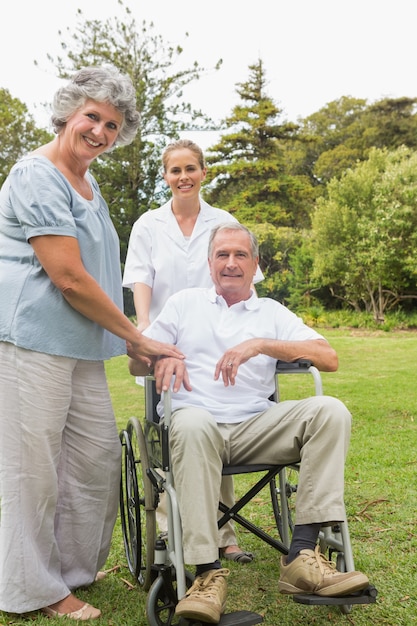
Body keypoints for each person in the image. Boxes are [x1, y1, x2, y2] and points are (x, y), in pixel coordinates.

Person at [0, 65, 184, 621]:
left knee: (94, 458)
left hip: (80, 345)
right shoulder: (38, 174)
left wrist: (124, 339)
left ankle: (72, 571)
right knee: (32, 468)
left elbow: (101, 275)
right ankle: (31, 588)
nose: (101, 131)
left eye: (113, 124)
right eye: (92, 117)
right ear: (67, 113)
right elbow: (71, 278)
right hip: (31, 342)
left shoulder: (87, 179)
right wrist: (138, 337)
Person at [130, 222, 370, 624]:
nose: (230, 263)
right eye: (222, 255)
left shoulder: (270, 312)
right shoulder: (184, 304)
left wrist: (260, 344)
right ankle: (206, 575)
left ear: (255, 264)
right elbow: (135, 358)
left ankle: (302, 556)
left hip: (255, 428)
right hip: (195, 427)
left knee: (330, 410)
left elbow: (328, 357)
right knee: (191, 425)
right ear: (209, 264)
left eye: (240, 255)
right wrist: (158, 355)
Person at [123, 138, 263, 563]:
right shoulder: (149, 224)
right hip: (166, 341)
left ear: (203, 173)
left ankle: (226, 532)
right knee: (177, 433)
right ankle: (171, 528)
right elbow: (141, 277)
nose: (183, 177)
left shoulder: (222, 221)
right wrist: (145, 328)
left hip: (212, 340)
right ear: (165, 176)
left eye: (190, 169)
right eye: (174, 170)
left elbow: (241, 279)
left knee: (220, 418)